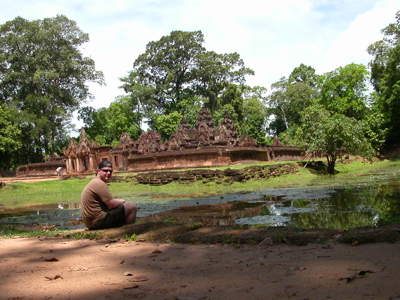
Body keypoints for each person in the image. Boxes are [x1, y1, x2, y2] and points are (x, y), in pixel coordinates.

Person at [81, 160, 137, 230]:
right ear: (99, 171)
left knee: (120, 207)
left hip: (91, 223)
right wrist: (122, 201)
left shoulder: (95, 182)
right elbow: (112, 204)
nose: (108, 173)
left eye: (110, 171)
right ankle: (129, 230)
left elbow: (108, 205)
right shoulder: (99, 184)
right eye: (105, 171)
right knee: (132, 206)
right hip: (98, 222)